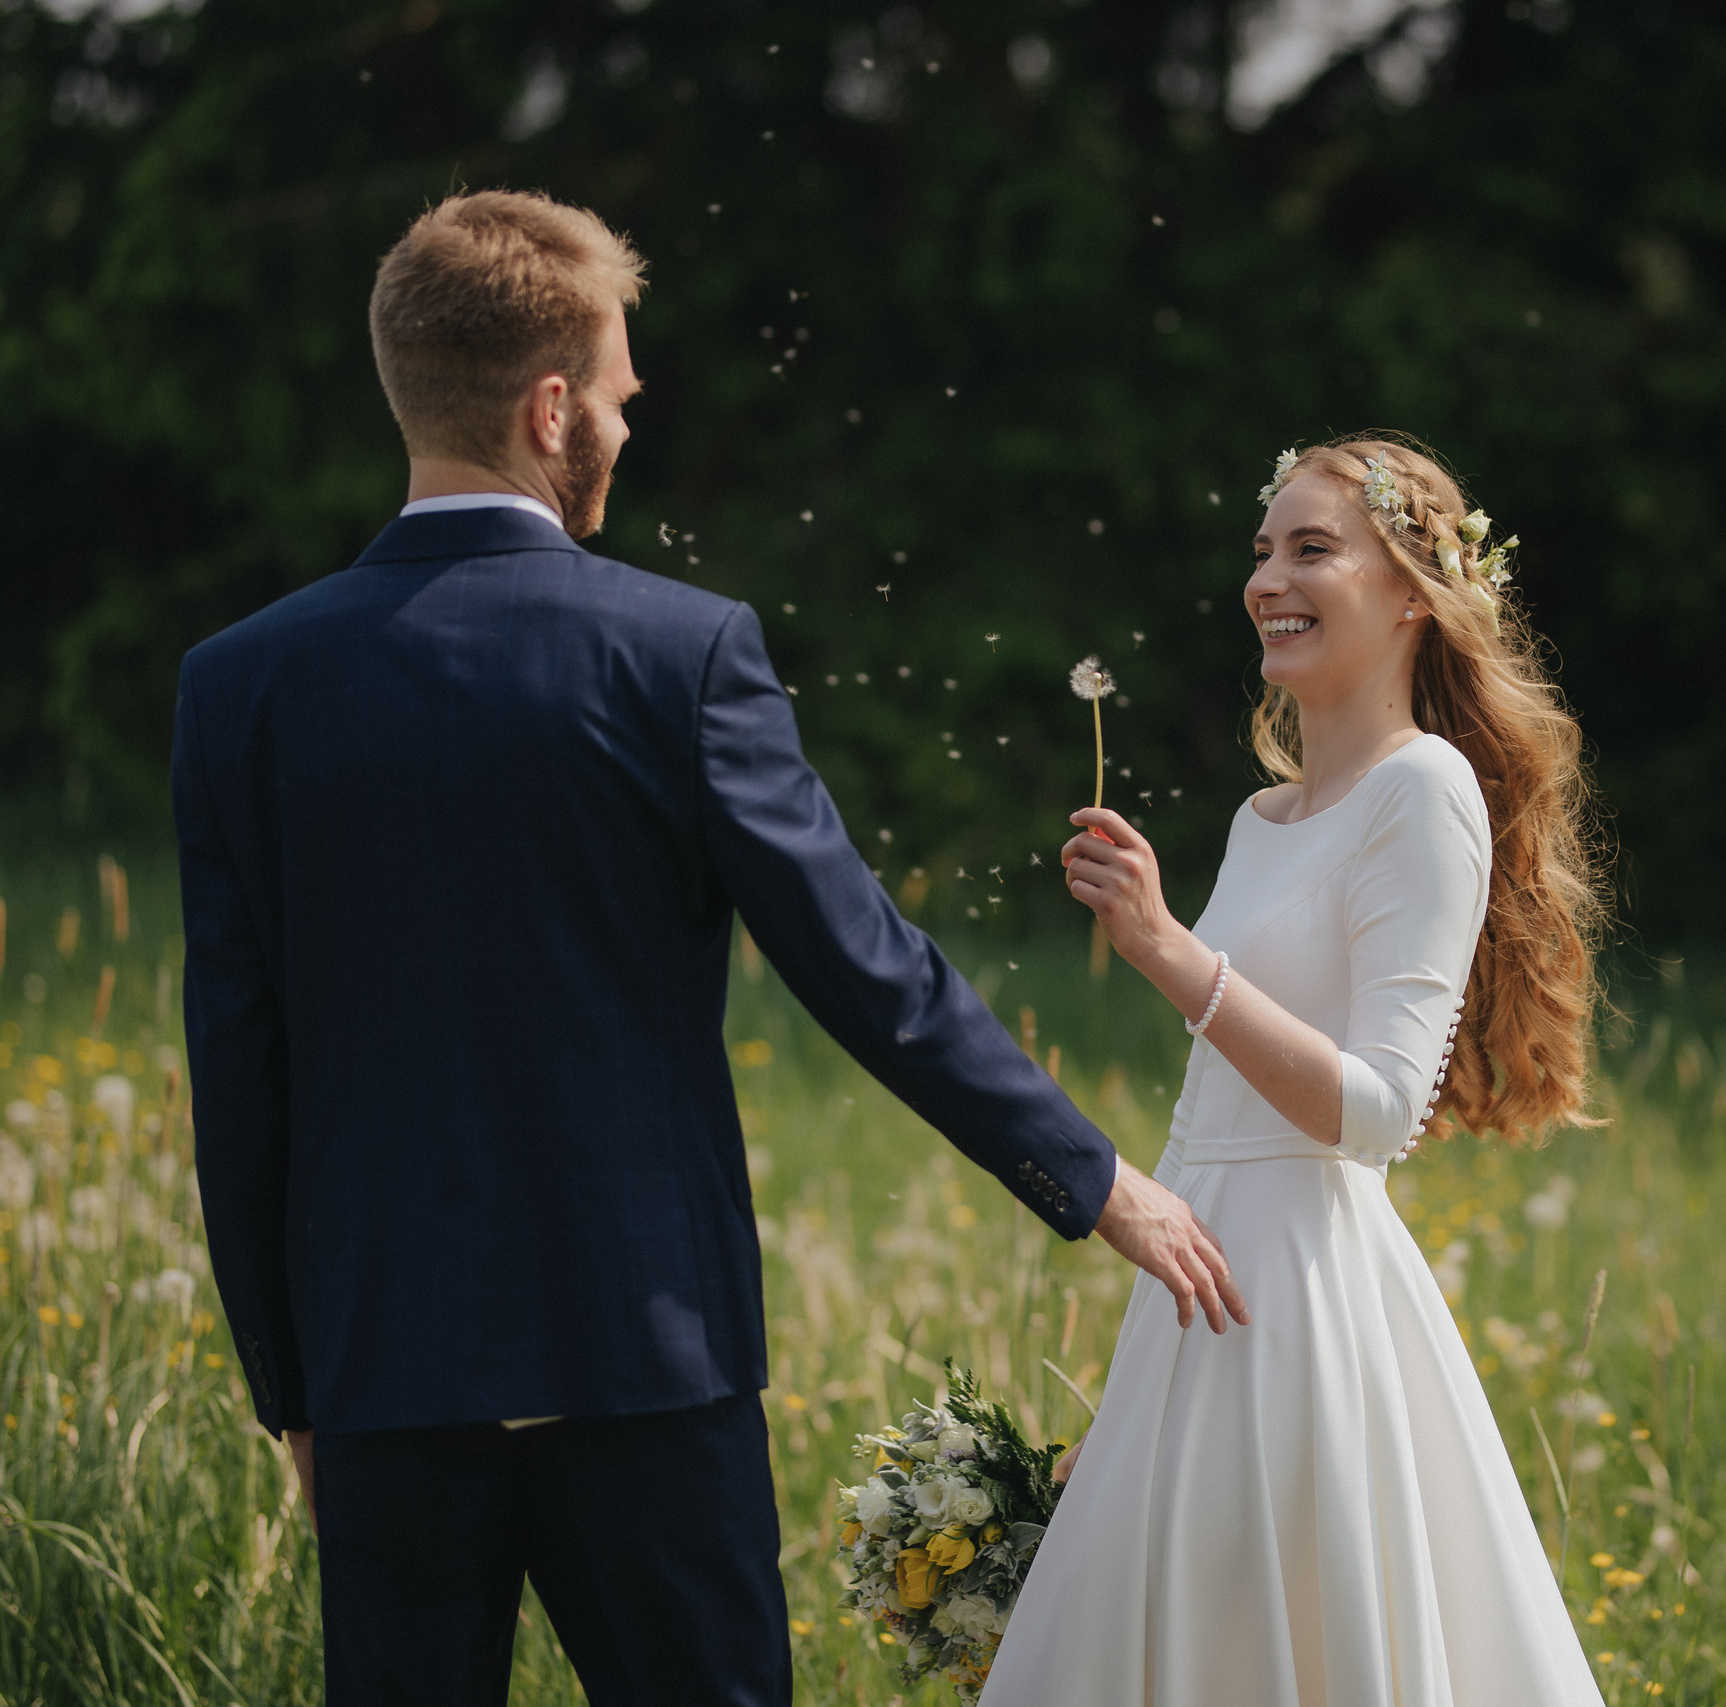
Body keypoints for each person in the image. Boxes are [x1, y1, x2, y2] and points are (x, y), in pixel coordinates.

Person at [172, 188, 1243, 1705]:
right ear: (550, 410)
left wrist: (292, 1388)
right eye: (617, 396)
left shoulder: (240, 687)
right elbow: (862, 963)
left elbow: (239, 1072)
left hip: (382, 1374)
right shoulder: (679, 654)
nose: (625, 425)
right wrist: (1097, 1179)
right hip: (646, 1362)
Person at [981, 436, 1608, 1706]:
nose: (1268, 578)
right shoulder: (1259, 817)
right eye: (1262, 550)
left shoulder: (1422, 789)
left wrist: (1163, 948)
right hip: (1200, 1284)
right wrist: (1138, 1388)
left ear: (1413, 593)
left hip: (1306, 1301)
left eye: (1312, 549)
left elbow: (1377, 1112)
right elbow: (1215, 1101)